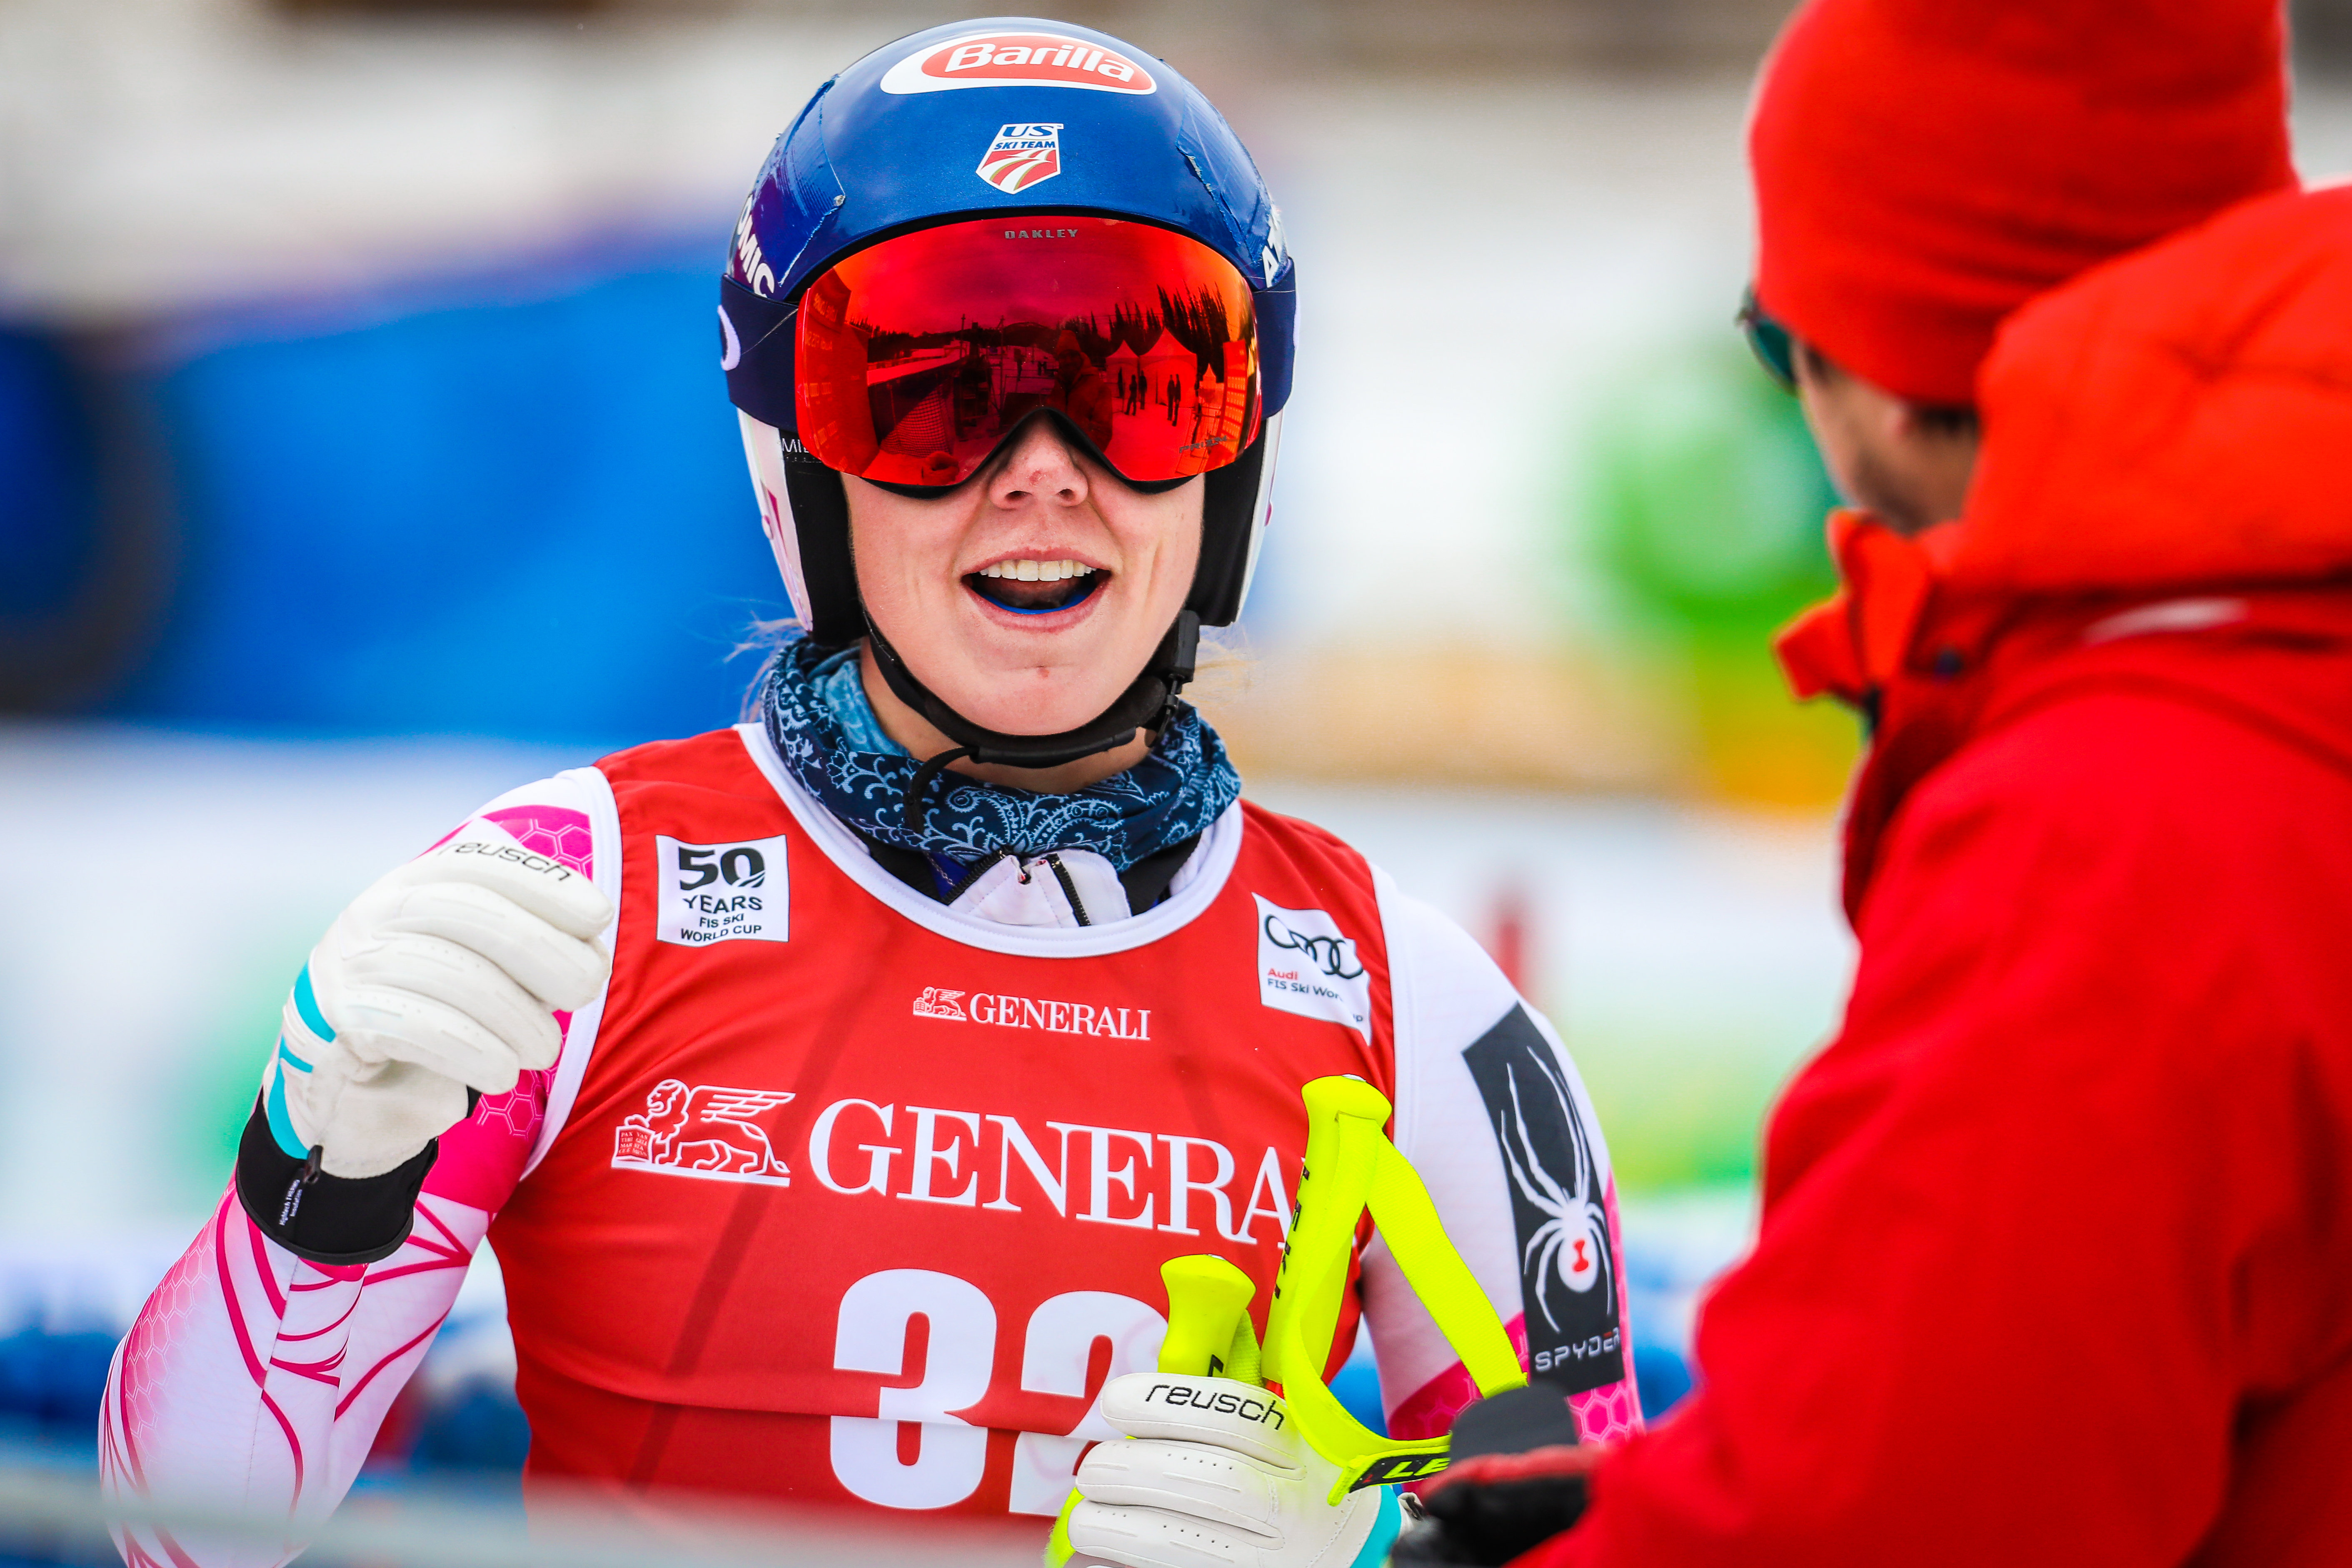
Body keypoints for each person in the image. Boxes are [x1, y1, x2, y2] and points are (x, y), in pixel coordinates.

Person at [98, 19, 1644, 1568]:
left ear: (1230, 466)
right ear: (797, 468)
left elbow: (1623, 1532)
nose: (1044, 471)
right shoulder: (572, 896)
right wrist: (309, 1189)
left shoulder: (1411, 1003)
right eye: (935, 387)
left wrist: (1378, 1555)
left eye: (1144, 378)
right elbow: (177, 1539)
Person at [1401, 1, 2352, 1565]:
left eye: (1787, 347)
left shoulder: (2117, 841)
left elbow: (1896, 1511)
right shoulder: (2278, 672)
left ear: (1899, 383)